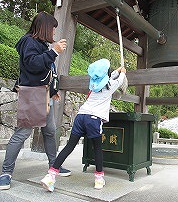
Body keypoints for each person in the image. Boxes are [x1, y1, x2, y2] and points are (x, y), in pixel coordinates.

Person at [0, 11, 71, 190]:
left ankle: (54, 165)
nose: (54, 33)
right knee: (22, 134)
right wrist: (54, 51)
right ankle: (6, 173)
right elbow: (32, 64)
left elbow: (47, 72)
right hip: (33, 95)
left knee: (50, 131)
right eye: (53, 29)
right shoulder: (29, 42)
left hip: (44, 94)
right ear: (46, 28)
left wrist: (54, 91)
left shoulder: (40, 45)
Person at [40, 58, 127, 192]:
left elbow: (109, 76)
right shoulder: (110, 86)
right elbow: (120, 80)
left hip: (81, 117)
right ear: (107, 74)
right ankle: (99, 180)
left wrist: (117, 71)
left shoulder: (93, 83)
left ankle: (50, 176)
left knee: (69, 147)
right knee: (97, 149)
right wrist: (123, 72)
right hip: (93, 119)